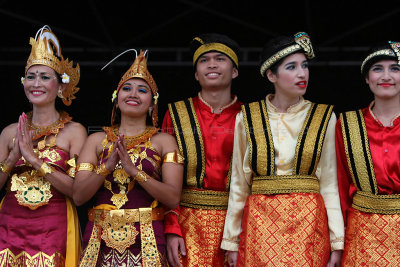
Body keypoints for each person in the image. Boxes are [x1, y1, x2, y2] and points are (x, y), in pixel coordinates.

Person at [221, 32, 345, 266]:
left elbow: (330, 183)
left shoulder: (324, 116)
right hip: (260, 226)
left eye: (305, 66)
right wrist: (232, 242)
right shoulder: (247, 117)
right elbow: (239, 183)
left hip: (309, 227)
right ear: (271, 74)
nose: (302, 73)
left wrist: (337, 242)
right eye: (291, 67)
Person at [73, 49, 184, 266]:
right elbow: (78, 196)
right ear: (116, 100)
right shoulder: (96, 140)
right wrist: (107, 167)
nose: (133, 94)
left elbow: (172, 198)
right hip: (98, 238)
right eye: (126, 88)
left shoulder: (164, 141)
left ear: (152, 104)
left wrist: (134, 171)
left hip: (147, 239)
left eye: (142, 90)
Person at [0, 25, 85, 266]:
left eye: (45, 77)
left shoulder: (74, 132)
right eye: (31, 76)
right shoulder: (9, 132)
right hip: (7, 224)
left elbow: (79, 193)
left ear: (60, 87)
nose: (36, 83)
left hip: (53, 227)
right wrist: (12, 158)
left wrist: (35, 160)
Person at [161, 33, 242, 267]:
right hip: (187, 223)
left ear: (235, 71)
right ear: (196, 74)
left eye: (220, 59)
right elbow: (165, 178)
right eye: (204, 60)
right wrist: (172, 228)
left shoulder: (250, 117)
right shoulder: (176, 114)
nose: (212, 64)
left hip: (236, 224)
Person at [335, 41, 400, 266]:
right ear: (366, 78)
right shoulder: (347, 124)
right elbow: (340, 185)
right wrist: (337, 241)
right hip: (361, 235)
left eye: (395, 68)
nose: (386, 76)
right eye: (377, 69)